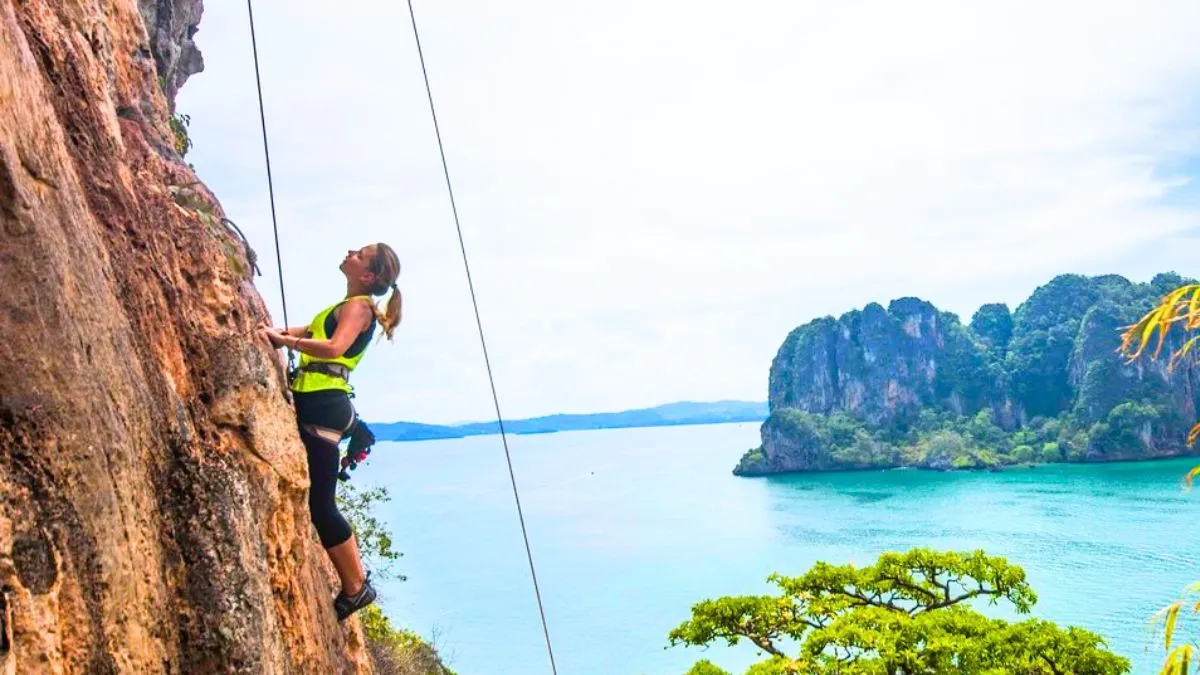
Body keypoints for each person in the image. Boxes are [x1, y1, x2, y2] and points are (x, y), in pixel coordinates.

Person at [257, 242, 402, 621]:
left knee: (322, 505)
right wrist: (277, 332)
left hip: (324, 407)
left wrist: (284, 342)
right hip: (321, 404)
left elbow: (334, 347)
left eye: (360, 253)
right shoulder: (344, 306)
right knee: (318, 502)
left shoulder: (359, 307)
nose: (350, 251)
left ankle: (356, 587)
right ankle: (356, 584)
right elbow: (307, 330)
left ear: (368, 275)